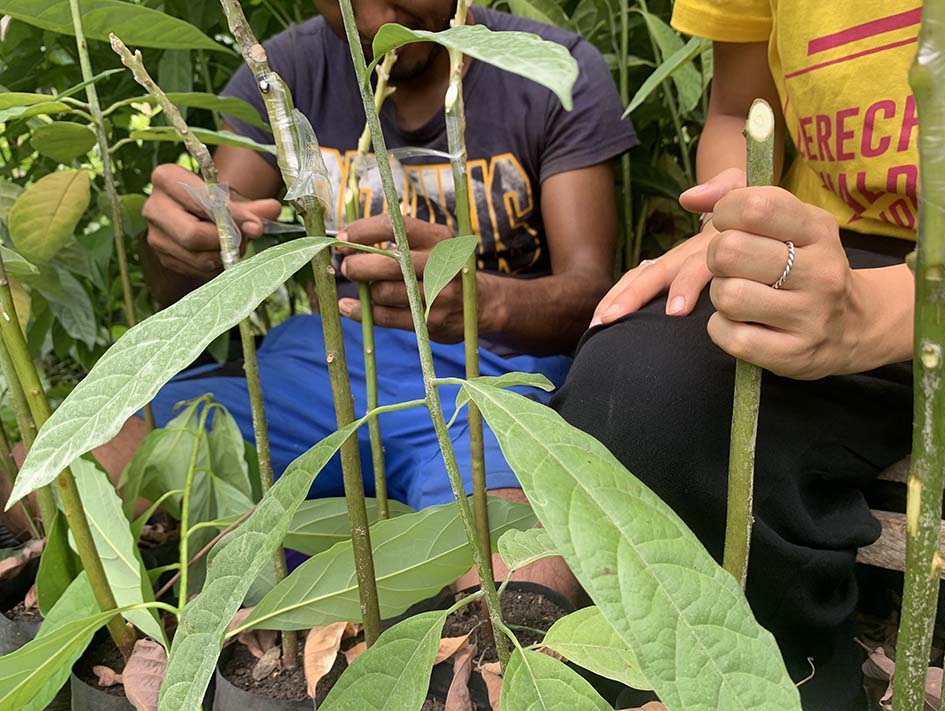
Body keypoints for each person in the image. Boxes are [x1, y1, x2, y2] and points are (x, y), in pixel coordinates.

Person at [549, 0, 945, 711]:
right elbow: (734, 107)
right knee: (637, 390)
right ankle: (781, 710)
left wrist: (879, 315)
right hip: (831, 248)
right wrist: (738, 213)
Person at [124, 1, 637, 513]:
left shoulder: (546, 67)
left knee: (508, 548)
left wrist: (487, 303)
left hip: (493, 378)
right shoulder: (280, 73)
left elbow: (592, 292)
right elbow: (207, 243)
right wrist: (179, 242)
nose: (372, 25)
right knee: (100, 458)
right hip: (319, 366)